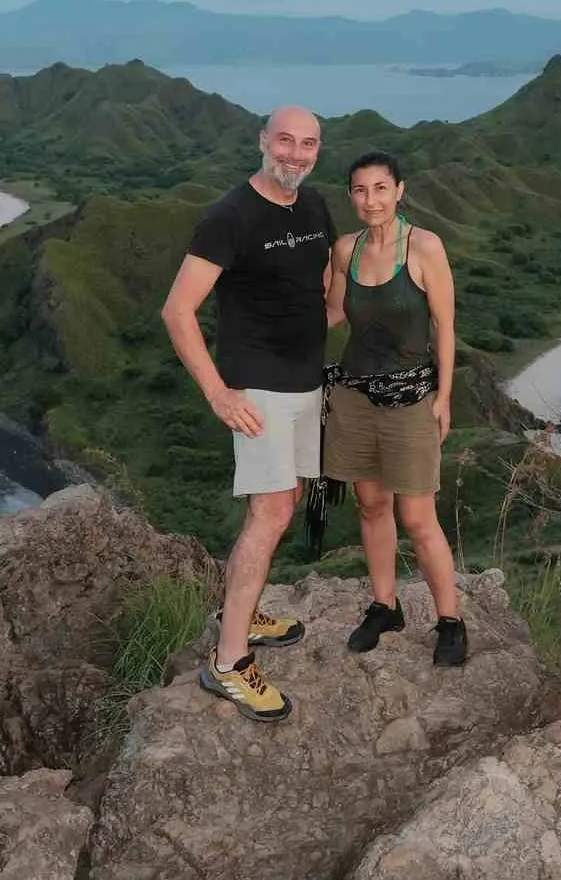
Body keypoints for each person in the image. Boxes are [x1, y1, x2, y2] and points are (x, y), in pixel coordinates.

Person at [160, 104, 338, 722]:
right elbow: (177, 311)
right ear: (263, 141)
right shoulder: (229, 217)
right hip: (259, 390)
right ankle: (229, 662)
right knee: (270, 512)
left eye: (307, 143)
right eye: (284, 140)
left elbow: (320, 288)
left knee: (283, 502)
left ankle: (243, 609)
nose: (295, 153)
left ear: (317, 150)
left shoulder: (314, 207)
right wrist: (218, 393)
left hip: (305, 383)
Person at [322, 149, 467, 666]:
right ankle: (385, 606)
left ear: (399, 191)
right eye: (360, 190)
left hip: (411, 399)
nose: (371, 200)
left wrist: (444, 397)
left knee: (417, 516)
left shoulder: (424, 247)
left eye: (381, 188)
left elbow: (444, 327)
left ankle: (450, 620)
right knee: (370, 504)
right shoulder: (346, 249)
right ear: (351, 196)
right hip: (354, 396)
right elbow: (333, 312)